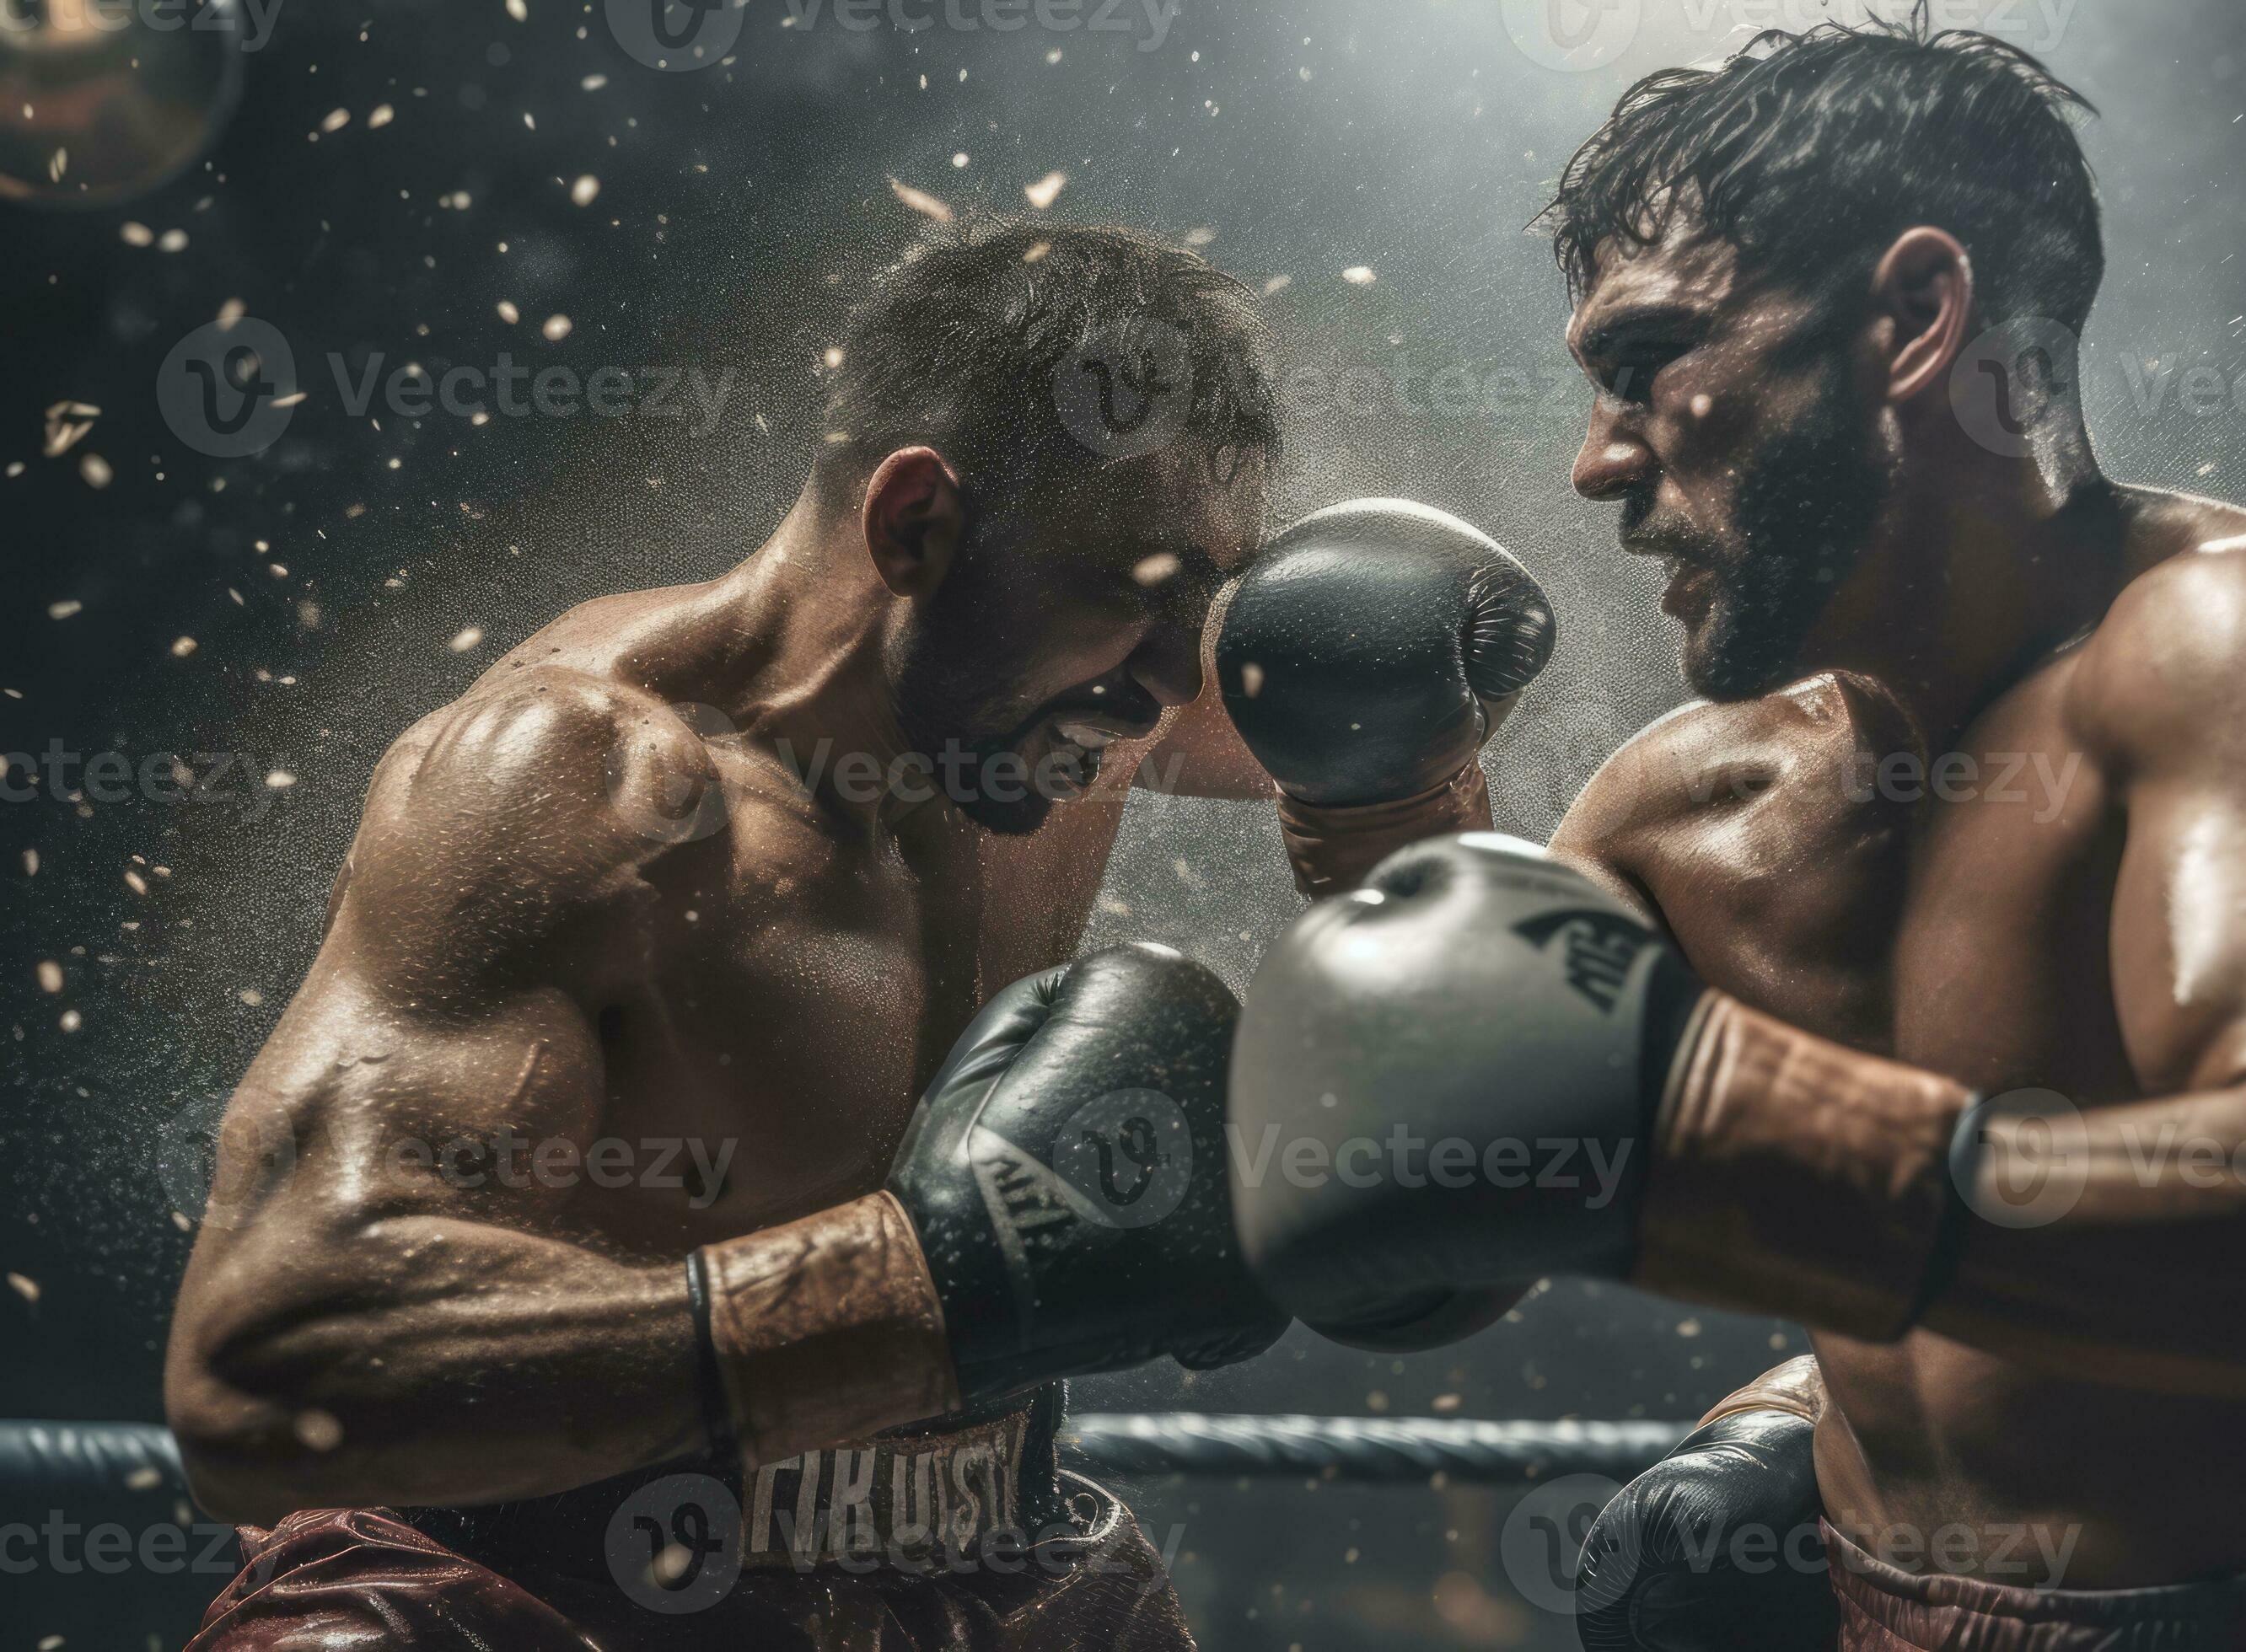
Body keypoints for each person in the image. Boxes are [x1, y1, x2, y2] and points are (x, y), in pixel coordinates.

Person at [1226, 13, 2246, 1649]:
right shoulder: (1688, 807)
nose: (1597, 462)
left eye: (1645, 361)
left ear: (1908, 316)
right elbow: (1418, 1245)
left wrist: (1724, 1133)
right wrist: (1381, 817)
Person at [162, 222, 1551, 1649]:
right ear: (915, 525)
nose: (1166, 691)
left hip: (996, 1565)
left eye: (1207, 600)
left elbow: (1372, 744)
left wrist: (1407, 775)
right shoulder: (576, 785)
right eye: (1141, 602)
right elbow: (269, 1370)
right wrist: (927, 1290)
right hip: (555, 1584)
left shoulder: (1057, 703)